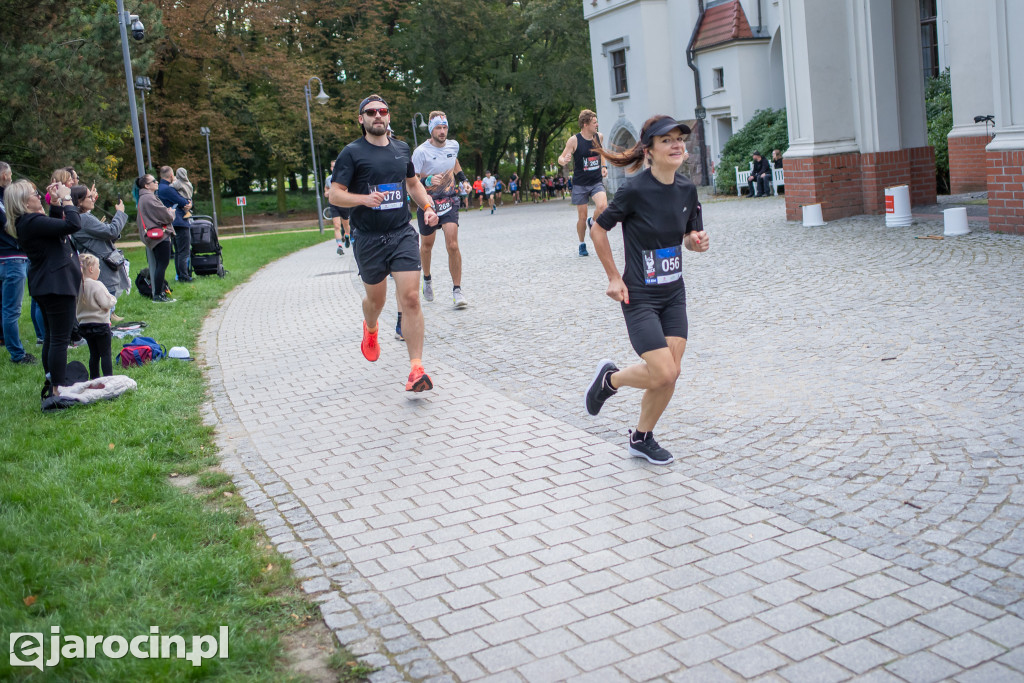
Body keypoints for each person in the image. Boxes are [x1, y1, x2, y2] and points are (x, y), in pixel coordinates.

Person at [584, 115, 710, 465]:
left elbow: (688, 235)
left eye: (679, 139)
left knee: (671, 373)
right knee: (664, 371)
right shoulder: (635, 189)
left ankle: (641, 437)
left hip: (674, 294)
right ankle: (612, 380)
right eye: (667, 140)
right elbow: (598, 229)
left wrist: (695, 242)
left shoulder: (687, 189)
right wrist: (613, 277)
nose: (676, 145)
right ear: (649, 150)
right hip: (639, 295)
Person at [329, 94, 440, 392]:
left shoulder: (402, 149)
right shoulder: (351, 153)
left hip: (401, 233)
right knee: (376, 301)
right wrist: (364, 199)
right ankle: (371, 327)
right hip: (368, 239)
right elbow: (335, 194)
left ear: (389, 116)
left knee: (412, 299)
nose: (377, 115)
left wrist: (427, 208)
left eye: (383, 111)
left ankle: (416, 369)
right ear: (361, 119)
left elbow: (413, 183)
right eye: (371, 112)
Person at [6, 178, 83, 397]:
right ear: (23, 202)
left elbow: (55, 230)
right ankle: (58, 389)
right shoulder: (31, 222)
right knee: (59, 338)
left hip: (48, 283)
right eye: (33, 193)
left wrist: (56, 203)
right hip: (56, 285)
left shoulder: (29, 223)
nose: (38, 195)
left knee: (52, 336)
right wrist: (67, 198)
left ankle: (52, 381)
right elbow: (73, 225)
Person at [411, 110, 469, 309]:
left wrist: (464, 180)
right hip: (427, 202)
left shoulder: (454, 145)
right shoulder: (421, 152)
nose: (442, 131)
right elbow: (412, 181)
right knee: (427, 245)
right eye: (438, 128)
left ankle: (457, 290)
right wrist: (427, 180)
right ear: (431, 130)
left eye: (445, 127)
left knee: (452, 244)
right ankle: (427, 279)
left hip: (450, 200)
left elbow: (454, 162)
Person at [558, 109, 608, 257]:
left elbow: (601, 152)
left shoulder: (599, 136)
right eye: (594, 122)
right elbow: (561, 158)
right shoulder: (574, 140)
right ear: (585, 124)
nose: (597, 124)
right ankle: (582, 243)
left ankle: (592, 221)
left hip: (595, 181)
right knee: (581, 217)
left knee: (603, 206)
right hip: (580, 183)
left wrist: (603, 166)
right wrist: (564, 161)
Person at [0, 162, 37, 364]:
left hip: (6, 257)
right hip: (11, 258)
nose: (12, 178)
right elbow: (10, 225)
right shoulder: (5, 200)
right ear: (5, 176)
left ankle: (4, 339)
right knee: (11, 310)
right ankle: (17, 354)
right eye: (10, 174)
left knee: (4, 307)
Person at [69, 185, 130, 300]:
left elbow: (102, 235)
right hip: (101, 269)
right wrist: (120, 213)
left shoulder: (79, 218)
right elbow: (111, 231)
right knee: (105, 307)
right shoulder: (84, 219)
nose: (93, 199)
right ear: (79, 201)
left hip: (97, 267)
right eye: (89, 197)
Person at [136, 174, 176, 303]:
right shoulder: (149, 198)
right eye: (154, 181)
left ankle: (158, 293)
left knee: (160, 265)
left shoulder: (144, 198)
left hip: (154, 235)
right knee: (161, 265)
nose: (157, 182)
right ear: (147, 185)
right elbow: (166, 216)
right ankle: (158, 295)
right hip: (159, 236)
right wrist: (171, 212)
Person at [76, 254, 116, 379]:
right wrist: (113, 299)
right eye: (98, 267)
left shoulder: (78, 286)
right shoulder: (96, 285)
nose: (100, 270)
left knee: (94, 354)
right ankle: (108, 380)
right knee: (105, 354)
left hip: (84, 325)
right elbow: (106, 302)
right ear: (91, 269)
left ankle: (94, 379)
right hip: (100, 325)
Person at [156, 165, 193, 281]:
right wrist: (189, 202)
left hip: (171, 222)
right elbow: (183, 201)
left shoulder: (159, 188)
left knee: (178, 251)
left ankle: (181, 275)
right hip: (179, 222)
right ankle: (183, 276)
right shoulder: (168, 189)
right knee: (183, 251)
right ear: (171, 175)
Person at [326, 159, 351, 255]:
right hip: (333, 204)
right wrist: (327, 193)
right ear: (331, 168)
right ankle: (339, 246)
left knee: (346, 225)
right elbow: (326, 189)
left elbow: (348, 191)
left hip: (343, 203)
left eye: (335, 166)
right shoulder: (328, 179)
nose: (334, 168)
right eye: (332, 166)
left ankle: (347, 236)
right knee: (336, 225)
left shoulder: (345, 177)